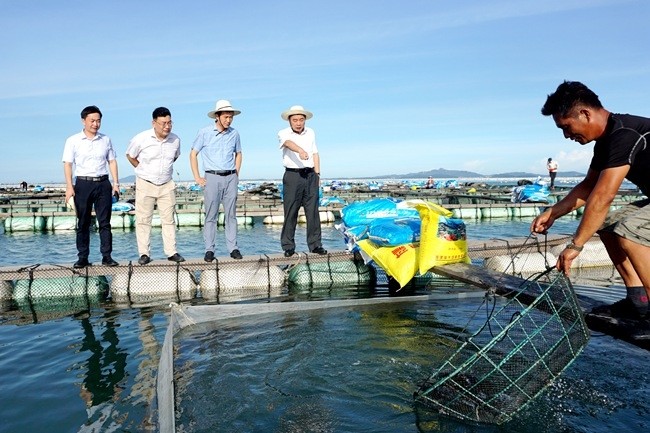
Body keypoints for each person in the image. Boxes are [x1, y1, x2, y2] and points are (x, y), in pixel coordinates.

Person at [531, 81, 650, 319]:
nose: (567, 136)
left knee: (630, 230)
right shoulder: (607, 141)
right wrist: (553, 212)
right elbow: (588, 186)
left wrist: (576, 245)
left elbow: (603, 195)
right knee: (608, 225)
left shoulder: (625, 134)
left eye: (566, 127)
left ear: (585, 114)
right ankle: (639, 301)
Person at [63, 105, 119, 268]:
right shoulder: (73, 140)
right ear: (83, 121)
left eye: (98, 121)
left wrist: (116, 183)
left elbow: (112, 161)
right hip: (83, 183)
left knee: (105, 223)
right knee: (83, 223)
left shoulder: (106, 139)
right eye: (92, 121)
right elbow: (68, 164)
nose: (95, 124)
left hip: (103, 183)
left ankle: (107, 256)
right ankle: (82, 257)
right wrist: (69, 186)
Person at [126, 107, 184, 265]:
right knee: (143, 220)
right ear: (154, 123)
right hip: (145, 183)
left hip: (167, 184)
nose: (167, 126)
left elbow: (175, 157)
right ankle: (144, 253)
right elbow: (130, 155)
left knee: (169, 219)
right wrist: (141, 168)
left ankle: (172, 252)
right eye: (163, 123)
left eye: (170, 122)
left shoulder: (175, 140)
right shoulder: (141, 138)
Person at [190, 99, 243, 261]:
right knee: (211, 215)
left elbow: (239, 153)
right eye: (226, 117)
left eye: (231, 117)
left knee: (231, 215)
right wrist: (197, 177)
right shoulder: (204, 132)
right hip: (212, 177)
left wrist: (236, 173)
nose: (229, 120)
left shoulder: (234, 133)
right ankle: (209, 250)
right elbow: (193, 154)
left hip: (230, 177)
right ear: (217, 116)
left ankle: (233, 248)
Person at [278, 105, 327, 257]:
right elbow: (287, 143)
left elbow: (316, 153)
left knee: (312, 211)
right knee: (291, 211)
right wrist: (300, 150)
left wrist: (318, 175)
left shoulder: (311, 132)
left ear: (304, 120)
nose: (298, 123)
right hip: (293, 176)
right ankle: (288, 246)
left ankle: (315, 245)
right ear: (289, 121)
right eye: (295, 120)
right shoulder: (283, 133)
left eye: (301, 120)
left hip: (311, 175)